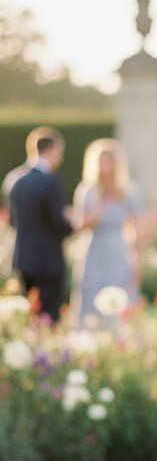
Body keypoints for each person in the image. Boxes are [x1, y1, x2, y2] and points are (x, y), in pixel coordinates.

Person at [70, 139, 141, 327]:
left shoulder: (128, 190)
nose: (105, 166)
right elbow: (81, 224)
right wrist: (101, 200)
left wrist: (134, 256)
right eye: (101, 161)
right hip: (94, 247)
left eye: (109, 161)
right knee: (91, 293)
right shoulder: (87, 190)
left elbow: (134, 226)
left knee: (120, 292)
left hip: (118, 248)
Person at [9, 128, 73, 323]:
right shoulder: (49, 182)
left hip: (24, 259)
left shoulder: (16, 181)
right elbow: (59, 224)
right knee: (48, 317)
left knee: (30, 317)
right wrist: (72, 223)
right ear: (51, 149)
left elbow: (13, 221)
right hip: (48, 262)